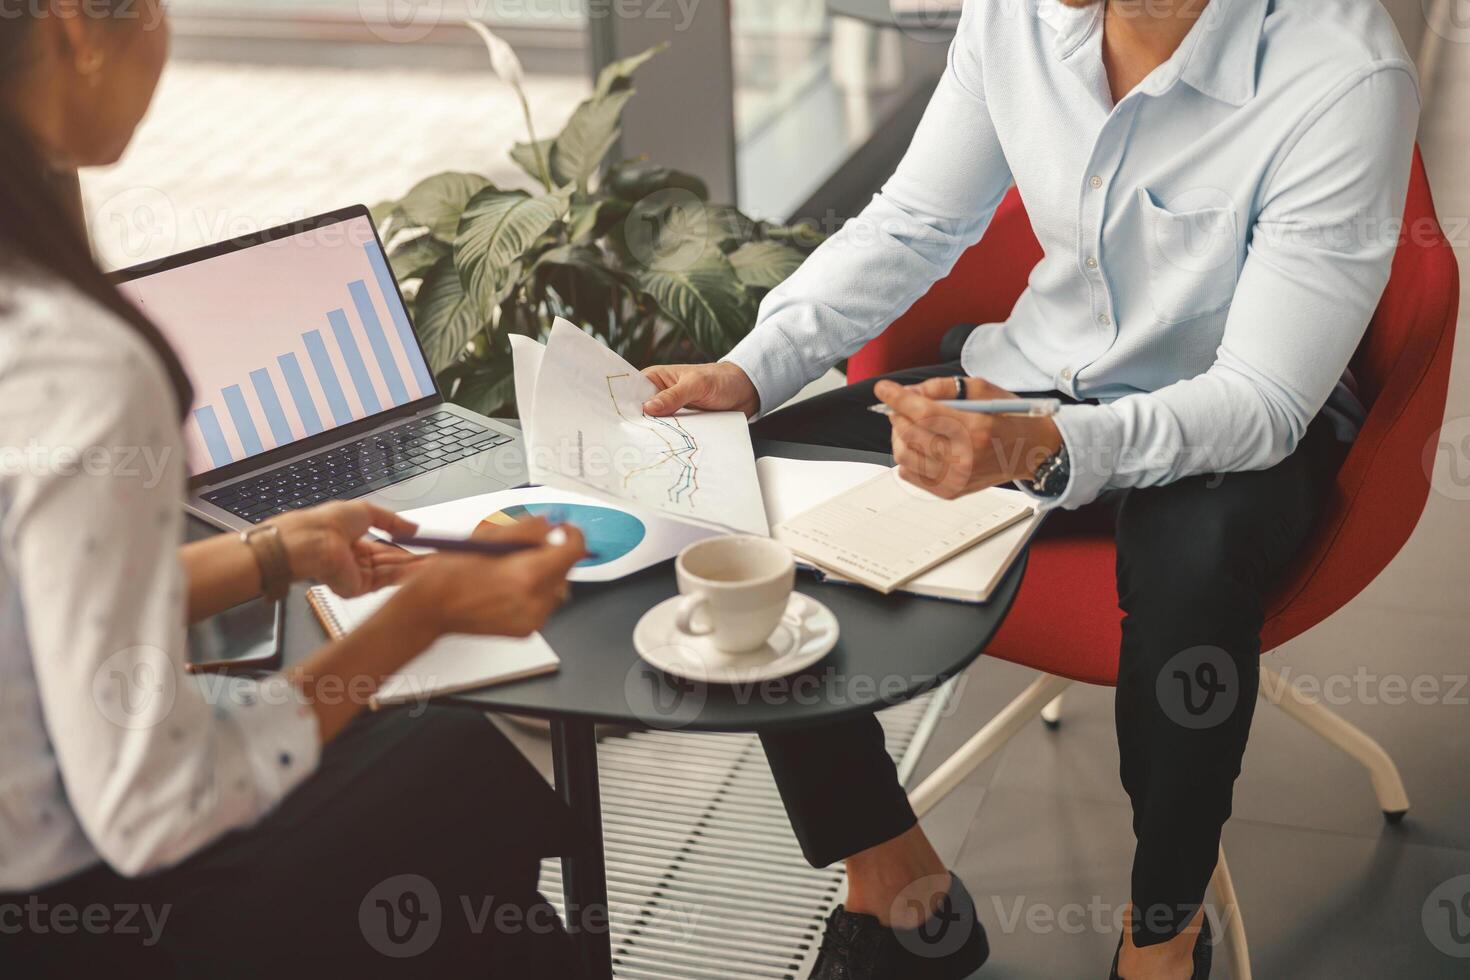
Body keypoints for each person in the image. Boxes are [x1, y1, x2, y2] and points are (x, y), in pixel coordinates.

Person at [643, 0, 1419, 977]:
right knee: (742, 506)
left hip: (1226, 432)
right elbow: (916, 223)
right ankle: (897, 884)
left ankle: (1163, 941)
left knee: (1194, 573)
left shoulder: (1341, 72)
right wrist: (751, 369)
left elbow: (1261, 399)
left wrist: (1045, 449)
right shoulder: (1017, 16)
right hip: (1031, 382)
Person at [0, 3, 588, 975]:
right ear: (74, 27)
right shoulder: (81, 367)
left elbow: (38, 608)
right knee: (454, 764)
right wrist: (420, 617)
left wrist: (271, 551)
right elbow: (155, 806)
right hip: (68, 914)